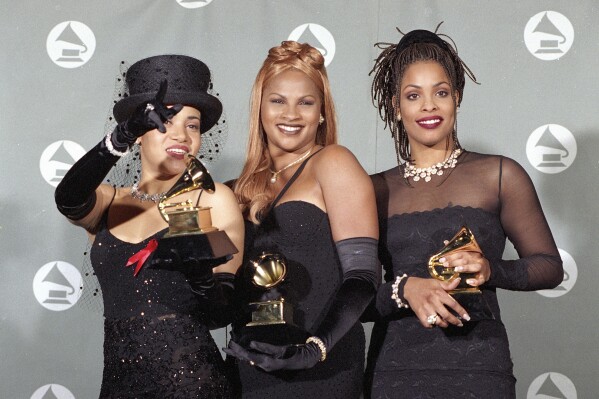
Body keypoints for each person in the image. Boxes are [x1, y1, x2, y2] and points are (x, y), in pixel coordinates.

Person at [363, 25, 564, 398]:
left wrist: (491, 268)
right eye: (413, 95)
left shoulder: (499, 175)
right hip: (394, 372)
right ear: (395, 104)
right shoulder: (372, 190)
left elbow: (550, 266)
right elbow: (352, 299)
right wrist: (404, 288)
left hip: (480, 371)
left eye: (440, 92)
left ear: (456, 97)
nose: (428, 106)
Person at [54, 54, 244, 398]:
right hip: (118, 386)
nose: (182, 135)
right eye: (167, 120)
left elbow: (223, 310)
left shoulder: (214, 200)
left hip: (192, 384)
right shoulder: (109, 202)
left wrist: (201, 277)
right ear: (140, 132)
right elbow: (68, 198)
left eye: (193, 124)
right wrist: (120, 137)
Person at [223, 41, 379, 398]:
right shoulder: (236, 190)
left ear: (321, 111)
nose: (291, 114)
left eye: (305, 103)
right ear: (259, 108)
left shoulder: (333, 163)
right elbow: (224, 287)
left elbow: (363, 276)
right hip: (252, 368)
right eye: (278, 100)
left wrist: (314, 349)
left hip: (324, 367)